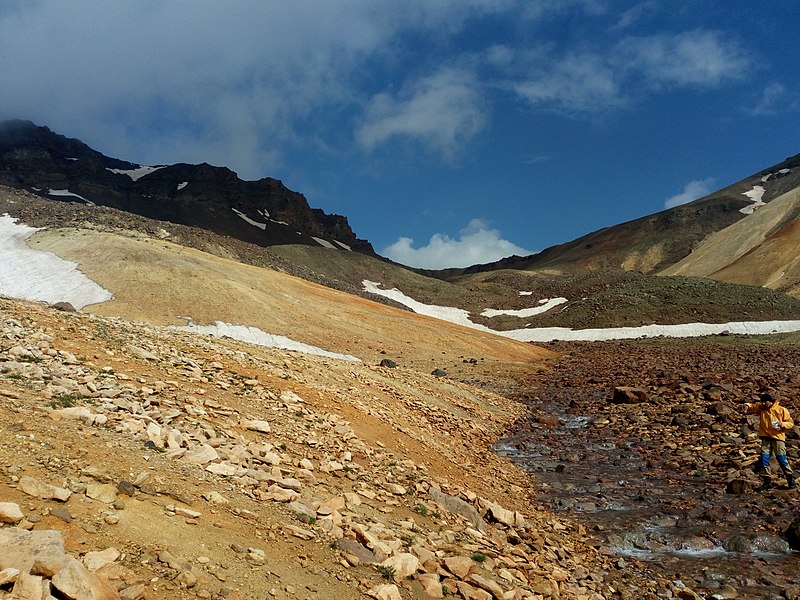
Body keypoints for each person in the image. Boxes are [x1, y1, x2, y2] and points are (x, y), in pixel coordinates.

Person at [745, 391, 795, 490]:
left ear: (770, 401)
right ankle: (767, 482)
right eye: (762, 402)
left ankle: (790, 480)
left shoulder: (781, 410)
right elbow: (753, 406)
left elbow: (790, 423)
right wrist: (746, 405)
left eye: (765, 402)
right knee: (764, 459)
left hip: (778, 437)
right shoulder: (762, 408)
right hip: (765, 437)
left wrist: (782, 424)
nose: (763, 404)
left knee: (781, 459)